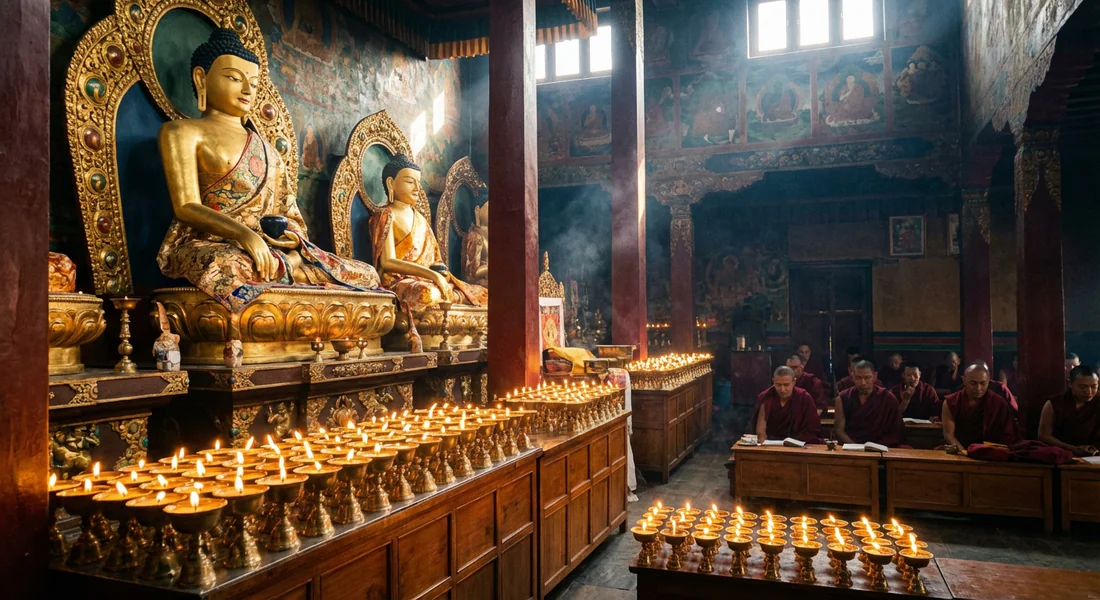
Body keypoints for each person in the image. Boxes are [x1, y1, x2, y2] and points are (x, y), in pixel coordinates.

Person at [157, 29, 382, 312]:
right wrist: (244, 235)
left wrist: (292, 241)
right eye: (234, 79)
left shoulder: (267, 149)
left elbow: (289, 214)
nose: (248, 90)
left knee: (365, 275)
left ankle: (285, 282)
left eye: (252, 82)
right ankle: (286, 292)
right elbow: (186, 206)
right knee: (227, 267)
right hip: (212, 245)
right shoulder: (182, 132)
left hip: (273, 252)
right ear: (202, 78)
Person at [941, 362, 1018, 448]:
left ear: (988, 380)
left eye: (983, 383)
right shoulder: (951, 402)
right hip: (960, 449)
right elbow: (949, 435)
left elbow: (1007, 436)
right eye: (973, 383)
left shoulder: (998, 403)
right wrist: (963, 453)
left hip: (990, 452)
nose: (978, 388)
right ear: (964, 380)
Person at [834, 360, 906, 447]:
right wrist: (857, 448)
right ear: (852, 377)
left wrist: (874, 447)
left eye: (867, 377)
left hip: (881, 447)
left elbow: (896, 431)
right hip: (851, 447)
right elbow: (839, 430)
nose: (863, 382)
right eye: (858, 378)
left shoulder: (888, 398)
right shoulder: (843, 397)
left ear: (875, 376)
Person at [1038, 365, 1100, 456]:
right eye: (1083, 387)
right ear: (1070, 384)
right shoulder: (1055, 403)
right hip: (1061, 453)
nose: (1089, 391)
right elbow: (1043, 436)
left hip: (1095, 455)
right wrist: (1074, 449)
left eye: (1094, 387)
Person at [754, 366, 821, 443]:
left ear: (794, 382)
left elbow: (812, 429)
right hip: (772, 444)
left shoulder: (804, 397)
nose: (782, 390)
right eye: (778, 385)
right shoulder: (766, 396)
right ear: (773, 381)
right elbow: (761, 431)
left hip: (799, 444)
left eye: (786, 385)